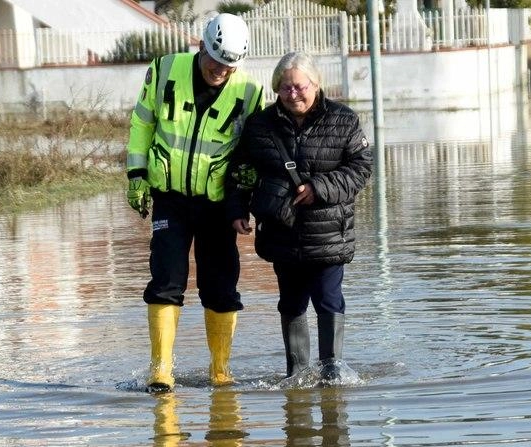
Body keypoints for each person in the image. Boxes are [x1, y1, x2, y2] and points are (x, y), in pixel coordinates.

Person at [125, 13, 265, 391]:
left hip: (218, 204)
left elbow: (251, 151)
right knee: (167, 279)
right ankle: (161, 371)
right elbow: (142, 124)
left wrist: (246, 192)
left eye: (230, 65)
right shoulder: (165, 69)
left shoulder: (251, 92)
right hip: (169, 197)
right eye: (216, 61)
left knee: (220, 287)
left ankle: (220, 370)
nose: (221, 71)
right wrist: (136, 175)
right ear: (201, 46)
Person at [225, 51, 372, 381]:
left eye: (300, 87)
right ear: (276, 89)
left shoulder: (344, 120)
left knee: (328, 299)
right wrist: (236, 208)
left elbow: (361, 168)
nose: (293, 94)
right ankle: (297, 373)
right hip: (281, 232)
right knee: (290, 303)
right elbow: (241, 171)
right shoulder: (260, 126)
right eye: (285, 88)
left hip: (329, 232)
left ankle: (332, 371)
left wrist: (319, 187)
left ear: (316, 84)